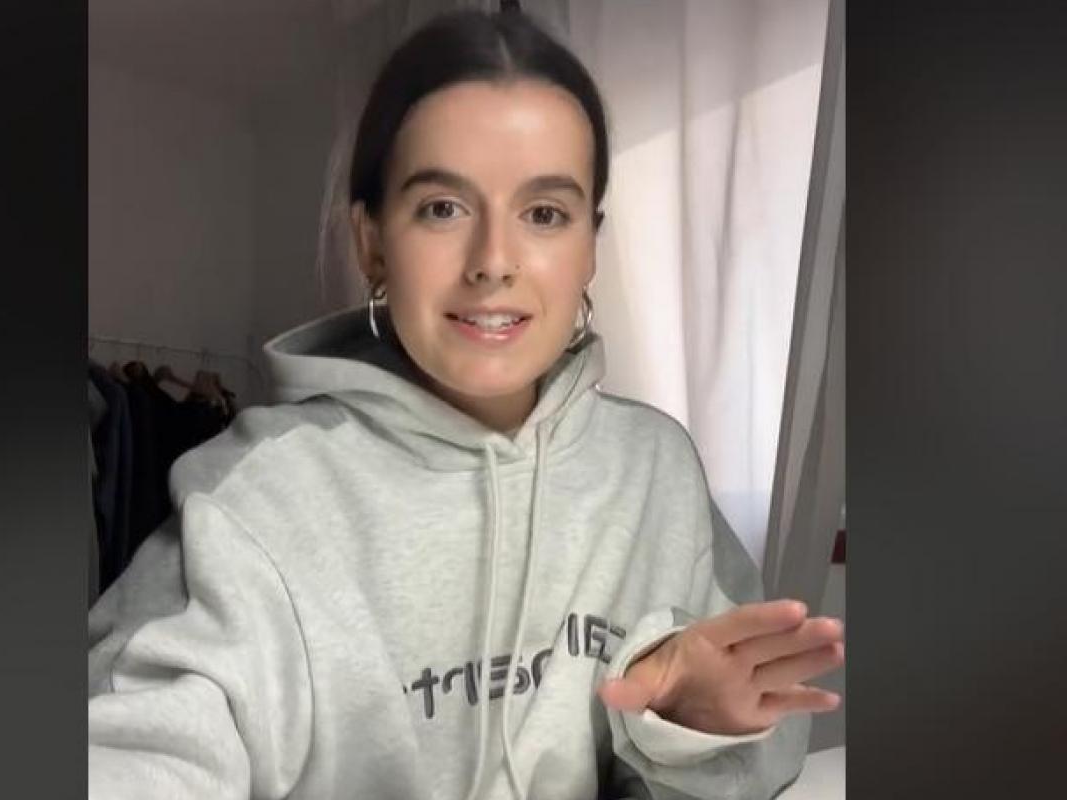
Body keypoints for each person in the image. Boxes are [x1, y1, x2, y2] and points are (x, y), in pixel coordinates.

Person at [87, 9, 844, 800]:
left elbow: (756, 746)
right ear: (372, 242)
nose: (493, 262)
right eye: (443, 208)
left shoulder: (655, 473)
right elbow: (138, 744)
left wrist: (687, 728)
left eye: (544, 214)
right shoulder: (256, 501)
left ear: (590, 245)